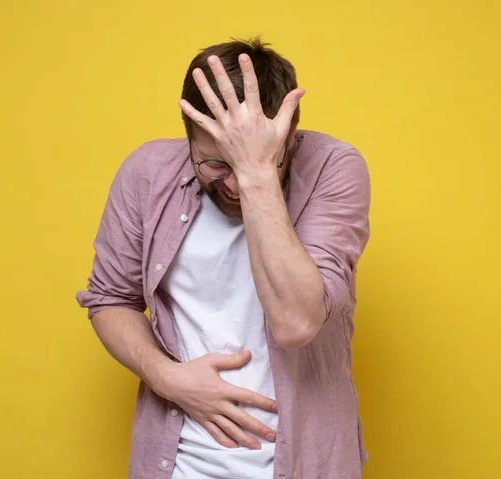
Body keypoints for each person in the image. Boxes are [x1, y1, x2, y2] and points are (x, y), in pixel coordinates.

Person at [76, 37, 371, 479]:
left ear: (289, 138)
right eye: (214, 163)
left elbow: (296, 323)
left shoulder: (334, 167)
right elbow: (109, 299)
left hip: (305, 462)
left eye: (259, 162)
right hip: (176, 464)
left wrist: (257, 172)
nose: (233, 185)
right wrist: (165, 376)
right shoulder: (146, 173)